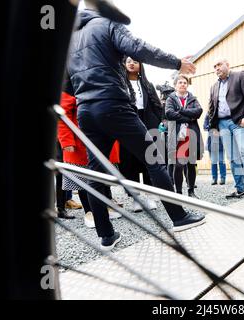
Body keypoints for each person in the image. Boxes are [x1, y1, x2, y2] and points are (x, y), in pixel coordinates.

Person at [67, 8, 205, 251]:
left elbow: (64, 83)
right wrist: (176, 63)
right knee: (154, 159)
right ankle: (179, 217)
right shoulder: (107, 24)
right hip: (114, 104)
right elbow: (139, 48)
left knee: (95, 172)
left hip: (86, 111)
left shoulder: (69, 40)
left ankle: (106, 235)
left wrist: (85, 92)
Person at [58, 82, 121, 228]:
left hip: (103, 138)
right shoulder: (70, 85)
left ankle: (104, 206)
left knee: (102, 177)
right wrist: (66, 141)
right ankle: (89, 212)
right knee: (83, 179)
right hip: (80, 141)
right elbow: (62, 115)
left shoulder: (98, 80)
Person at [208, 58, 244, 200]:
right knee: (233, 158)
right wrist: (214, 126)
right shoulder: (214, 87)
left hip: (239, 122)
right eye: (215, 66)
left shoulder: (240, 76)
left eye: (219, 64)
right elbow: (211, 108)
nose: (217, 68)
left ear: (227, 65)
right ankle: (240, 189)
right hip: (223, 125)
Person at [119, 56, 163, 213]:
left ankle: (151, 196)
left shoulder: (147, 84)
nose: (131, 63)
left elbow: (157, 105)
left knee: (149, 160)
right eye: (128, 61)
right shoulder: (120, 83)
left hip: (148, 123)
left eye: (135, 61)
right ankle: (136, 198)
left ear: (140, 65)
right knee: (130, 162)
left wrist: (161, 121)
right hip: (128, 123)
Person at [165, 74, 204, 198]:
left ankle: (191, 191)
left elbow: (198, 111)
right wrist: (188, 116)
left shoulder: (192, 98)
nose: (183, 84)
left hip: (191, 134)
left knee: (191, 164)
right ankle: (179, 192)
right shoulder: (170, 99)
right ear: (175, 85)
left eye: (185, 83)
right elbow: (169, 113)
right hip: (177, 137)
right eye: (180, 82)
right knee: (179, 165)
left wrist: (181, 111)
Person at [203, 114, 226, 185]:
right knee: (213, 161)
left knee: (221, 160)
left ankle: (223, 178)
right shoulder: (208, 115)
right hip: (212, 141)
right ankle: (214, 178)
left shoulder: (222, 115)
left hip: (221, 141)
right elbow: (204, 127)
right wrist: (212, 129)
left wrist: (220, 132)